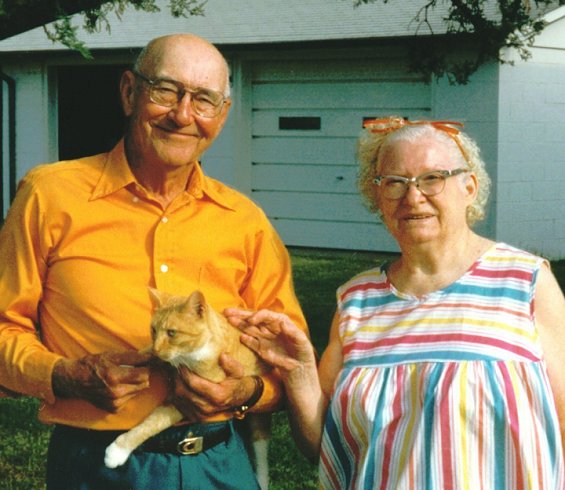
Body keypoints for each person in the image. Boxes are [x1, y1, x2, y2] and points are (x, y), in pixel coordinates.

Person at [0, 34, 307, 490]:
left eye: (204, 100)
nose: (183, 115)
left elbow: (291, 361)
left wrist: (246, 393)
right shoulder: (49, 195)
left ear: (221, 117)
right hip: (94, 466)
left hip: (218, 463)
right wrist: (63, 375)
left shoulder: (246, 221)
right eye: (166, 90)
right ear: (129, 92)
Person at [225, 117, 565, 489]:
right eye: (395, 183)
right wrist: (300, 372)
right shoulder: (357, 300)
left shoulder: (524, 281)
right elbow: (321, 444)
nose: (413, 196)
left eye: (432, 178)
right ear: (377, 197)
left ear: (469, 186)